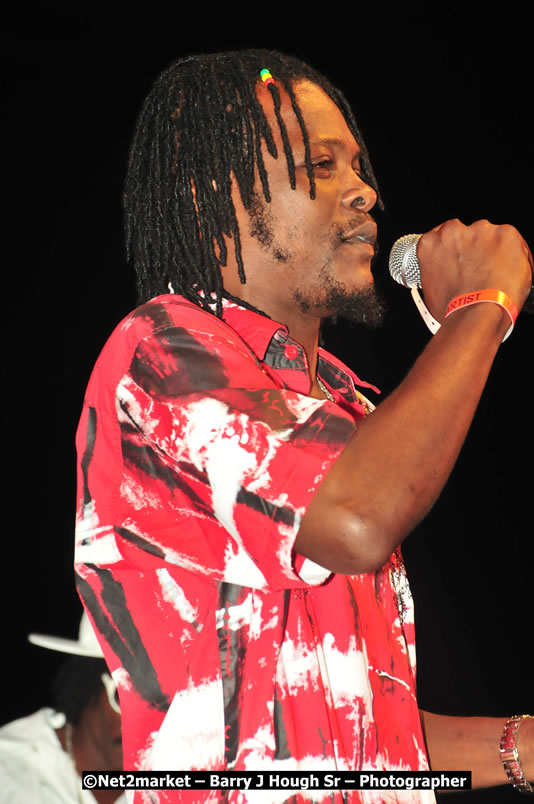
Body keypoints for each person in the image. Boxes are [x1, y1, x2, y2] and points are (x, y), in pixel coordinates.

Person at [73, 49, 533, 802]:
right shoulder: (160, 353)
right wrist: (481, 305)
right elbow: (355, 519)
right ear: (211, 196)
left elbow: (355, 735)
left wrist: (519, 747)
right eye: (321, 165)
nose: (364, 191)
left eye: (358, 166)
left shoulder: (346, 410)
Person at [0, 614, 124, 803]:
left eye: (168, 705)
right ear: (86, 686)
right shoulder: (8, 772)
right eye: (123, 696)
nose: (154, 725)